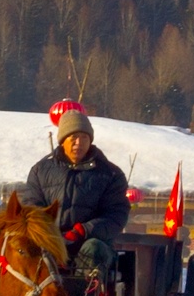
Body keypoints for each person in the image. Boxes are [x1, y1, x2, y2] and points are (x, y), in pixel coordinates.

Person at [21, 109, 130, 277]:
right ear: (62, 140)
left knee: (93, 249)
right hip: (51, 241)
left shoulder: (110, 174)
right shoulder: (40, 171)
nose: (78, 143)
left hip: (91, 243)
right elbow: (31, 207)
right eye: (73, 137)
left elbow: (116, 216)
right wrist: (52, 237)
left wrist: (82, 231)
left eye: (84, 137)